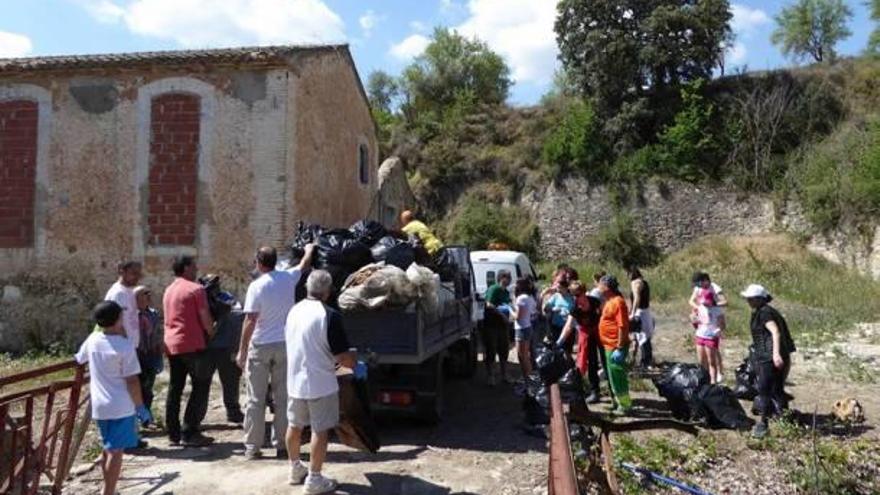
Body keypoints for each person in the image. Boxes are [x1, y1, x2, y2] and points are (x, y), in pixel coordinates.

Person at [238, 245, 315, 459]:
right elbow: (304, 264)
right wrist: (310, 249)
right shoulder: (288, 278)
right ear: (274, 261)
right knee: (283, 398)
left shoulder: (256, 286)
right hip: (285, 345)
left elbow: (250, 320)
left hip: (261, 346)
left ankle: (253, 447)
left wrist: (242, 351)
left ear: (259, 263)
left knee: (256, 398)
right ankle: (281, 444)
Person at [285, 270, 356, 494]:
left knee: (294, 426)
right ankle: (314, 479)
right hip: (321, 382)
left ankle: (295, 468)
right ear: (327, 291)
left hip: (295, 381)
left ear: (307, 287)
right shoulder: (329, 316)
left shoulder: (293, 311)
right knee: (320, 430)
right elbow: (343, 358)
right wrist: (354, 362)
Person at [75, 301, 151, 495]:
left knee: (108, 447)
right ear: (118, 319)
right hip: (121, 406)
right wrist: (141, 407)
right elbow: (132, 380)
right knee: (116, 453)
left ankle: (107, 488)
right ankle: (108, 491)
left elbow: (79, 359)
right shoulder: (125, 346)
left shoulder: (92, 339)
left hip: (100, 406)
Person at [163, 255, 215, 446]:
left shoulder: (169, 290)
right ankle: (190, 431)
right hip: (192, 344)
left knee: (175, 387)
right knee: (201, 386)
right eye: (193, 267)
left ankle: (173, 432)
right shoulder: (196, 289)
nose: (196, 270)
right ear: (185, 268)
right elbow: (204, 316)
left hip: (172, 344)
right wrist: (211, 333)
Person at [742, 284, 796, 439]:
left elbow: (775, 332)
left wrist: (775, 355)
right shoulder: (765, 311)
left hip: (770, 357)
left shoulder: (765, 313)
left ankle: (763, 424)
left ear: (759, 299)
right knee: (777, 389)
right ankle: (784, 418)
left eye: (750, 298)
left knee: (764, 389)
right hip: (774, 355)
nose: (748, 301)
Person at [557, 282, 602, 403]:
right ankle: (594, 391)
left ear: (584, 293)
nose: (577, 298)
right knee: (590, 362)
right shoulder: (575, 308)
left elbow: (604, 316)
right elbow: (568, 326)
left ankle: (614, 392)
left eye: (578, 295)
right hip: (586, 335)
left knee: (605, 360)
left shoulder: (594, 301)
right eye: (574, 295)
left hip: (600, 333)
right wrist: (559, 341)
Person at [597, 275, 632, 414]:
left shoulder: (618, 302)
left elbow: (622, 326)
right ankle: (618, 402)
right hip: (608, 345)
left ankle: (625, 405)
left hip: (615, 346)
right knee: (612, 376)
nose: (598, 287)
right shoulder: (609, 301)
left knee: (618, 376)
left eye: (600, 285)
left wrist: (620, 347)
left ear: (607, 287)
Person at [689, 272, 728, 380]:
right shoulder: (698, 288)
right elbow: (691, 300)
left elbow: (725, 302)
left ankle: (720, 372)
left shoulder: (715, 288)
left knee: (714, 352)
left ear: (705, 280)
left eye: (700, 284)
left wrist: (713, 305)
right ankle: (706, 378)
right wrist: (698, 308)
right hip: (703, 321)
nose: (699, 287)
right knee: (705, 354)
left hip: (713, 319)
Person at [134, 286, 162, 421]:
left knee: (148, 388)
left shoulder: (153, 314)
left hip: (150, 354)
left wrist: (159, 356)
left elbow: (157, 335)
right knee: (136, 387)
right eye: (144, 294)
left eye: (148, 294)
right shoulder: (130, 315)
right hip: (135, 355)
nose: (148, 297)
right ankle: (138, 417)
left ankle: (146, 415)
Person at [483, 270, 513, 385]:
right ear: (501, 278)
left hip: (503, 326)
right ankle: (491, 376)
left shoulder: (506, 292)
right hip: (492, 326)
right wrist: (501, 315)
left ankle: (504, 375)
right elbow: (489, 304)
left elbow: (508, 305)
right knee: (491, 350)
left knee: (504, 350)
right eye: (508, 278)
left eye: (510, 278)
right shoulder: (494, 289)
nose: (509, 280)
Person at [105, 261, 143, 348]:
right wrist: (126, 345)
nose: (137, 277)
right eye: (134, 273)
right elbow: (115, 323)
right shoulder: (118, 293)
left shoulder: (129, 291)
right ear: (122, 272)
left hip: (130, 347)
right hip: (123, 347)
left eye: (139, 274)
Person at [693, 288, 726, 385]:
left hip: (711, 337)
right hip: (700, 335)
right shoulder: (699, 308)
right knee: (701, 362)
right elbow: (696, 322)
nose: (705, 304)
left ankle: (713, 382)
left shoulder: (717, 310)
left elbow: (722, 324)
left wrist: (718, 331)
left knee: (711, 361)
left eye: (707, 302)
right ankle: (704, 381)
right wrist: (694, 319)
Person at [628, 268, 655, 369]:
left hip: (640, 312)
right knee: (645, 336)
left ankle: (645, 361)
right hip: (646, 311)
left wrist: (632, 313)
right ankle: (647, 360)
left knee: (641, 336)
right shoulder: (644, 282)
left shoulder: (636, 283)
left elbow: (637, 298)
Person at [510, 278, 537, 378]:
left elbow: (517, 316)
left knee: (523, 356)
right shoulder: (530, 297)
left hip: (521, 328)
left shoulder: (521, 298)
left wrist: (509, 310)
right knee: (525, 355)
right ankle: (527, 377)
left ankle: (528, 378)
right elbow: (533, 312)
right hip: (527, 326)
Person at [545, 279, 575, 354]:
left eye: (560, 287)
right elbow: (546, 308)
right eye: (557, 287)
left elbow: (575, 311)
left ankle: (569, 363)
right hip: (556, 326)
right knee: (556, 348)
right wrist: (553, 309)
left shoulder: (572, 298)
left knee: (567, 349)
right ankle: (558, 363)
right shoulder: (556, 296)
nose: (558, 289)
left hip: (568, 327)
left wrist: (566, 312)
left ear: (565, 288)